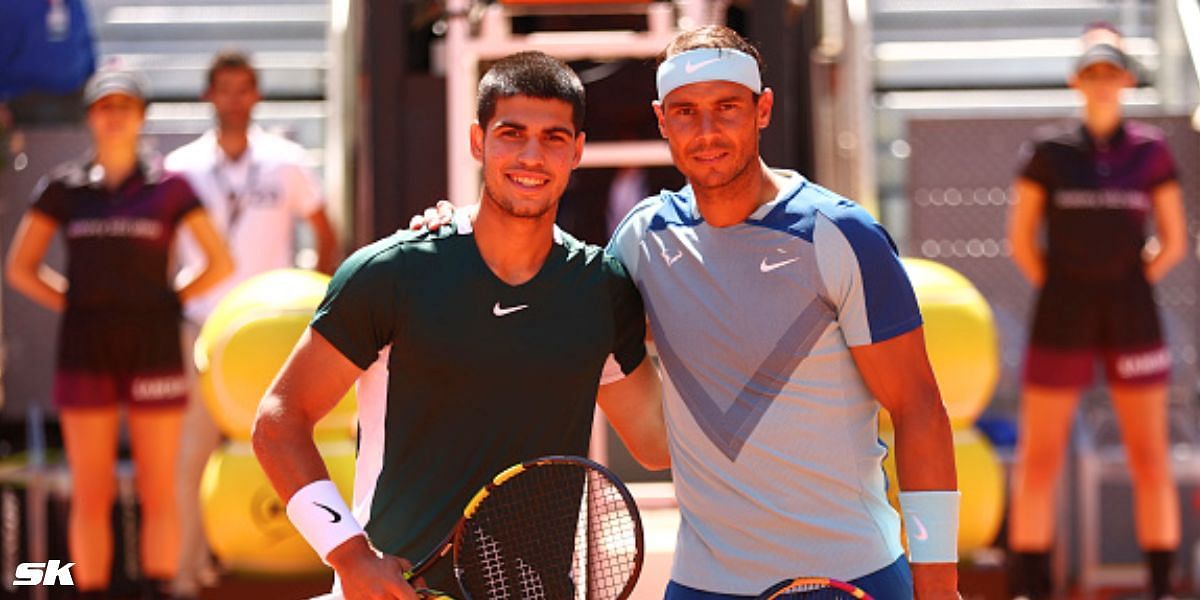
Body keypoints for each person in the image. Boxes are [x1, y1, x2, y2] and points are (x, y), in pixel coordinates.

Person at [416, 25, 960, 600]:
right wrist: (455, 231)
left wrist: (939, 585)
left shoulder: (843, 236)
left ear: (763, 110)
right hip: (702, 586)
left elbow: (919, 409)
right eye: (685, 112)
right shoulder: (641, 240)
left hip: (852, 577)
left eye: (726, 108)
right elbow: (554, 300)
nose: (706, 132)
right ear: (661, 119)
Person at [251, 51, 668, 600]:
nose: (531, 155)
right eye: (511, 134)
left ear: (577, 151)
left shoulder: (601, 290)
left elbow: (657, 444)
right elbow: (279, 422)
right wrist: (350, 555)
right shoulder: (392, 274)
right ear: (478, 141)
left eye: (553, 138)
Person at [4, 68, 234, 599]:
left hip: (154, 345)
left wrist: (171, 298)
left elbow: (220, 262)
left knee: (159, 488)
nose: (114, 116)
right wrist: (75, 301)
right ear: (90, 116)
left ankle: (158, 589)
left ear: (141, 116)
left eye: (124, 106)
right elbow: (20, 267)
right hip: (85, 348)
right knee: (92, 490)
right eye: (104, 106)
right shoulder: (63, 188)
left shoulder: (170, 188)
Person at [1006, 24, 1186, 600]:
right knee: (1040, 456)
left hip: (1131, 313)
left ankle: (1160, 587)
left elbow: (1174, 240)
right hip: (1062, 311)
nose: (1103, 84)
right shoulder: (1049, 153)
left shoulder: (1150, 152)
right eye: (1092, 74)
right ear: (1075, 82)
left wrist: (1125, 282)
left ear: (1128, 80)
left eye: (1112, 74)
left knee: (1149, 456)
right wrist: (1069, 286)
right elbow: (1021, 241)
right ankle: (1031, 587)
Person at [162, 49, 339, 598]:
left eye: (244, 88)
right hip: (203, 327)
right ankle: (189, 569)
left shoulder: (284, 159)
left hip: (272, 331)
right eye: (225, 88)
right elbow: (165, 249)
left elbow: (324, 230)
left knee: (289, 440)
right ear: (208, 96)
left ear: (257, 94)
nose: (234, 99)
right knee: (193, 451)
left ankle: (317, 561)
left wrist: (307, 287)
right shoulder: (181, 167)